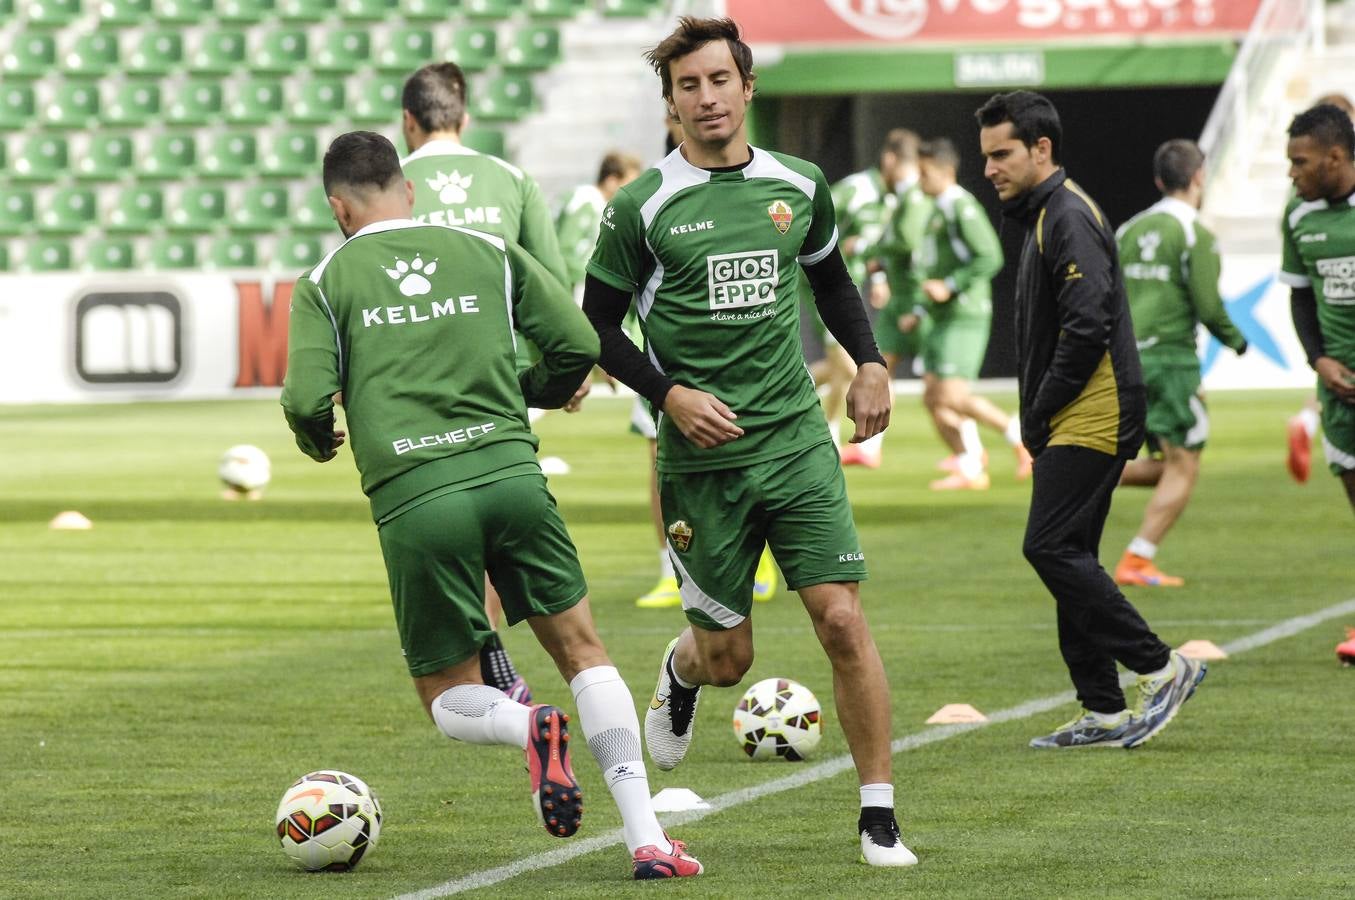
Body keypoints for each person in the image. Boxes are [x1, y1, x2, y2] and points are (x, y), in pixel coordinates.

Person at [280, 132, 702, 880]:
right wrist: (530, 392)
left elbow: (306, 398)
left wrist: (321, 440)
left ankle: (525, 726)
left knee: (446, 692)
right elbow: (577, 339)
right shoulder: (484, 248)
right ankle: (647, 841)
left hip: (418, 497)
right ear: (408, 191)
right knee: (582, 650)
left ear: (338, 208)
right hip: (511, 475)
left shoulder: (324, 280)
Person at [582, 16, 916, 866]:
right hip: (701, 464)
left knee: (840, 619)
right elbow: (595, 328)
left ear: (746, 87)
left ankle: (877, 814)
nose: (706, 98)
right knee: (728, 659)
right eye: (687, 86)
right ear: (669, 105)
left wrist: (870, 364)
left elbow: (832, 278)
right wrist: (668, 394)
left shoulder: (799, 185)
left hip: (796, 441)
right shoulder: (641, 207)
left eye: (718, 81)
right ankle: (682, 671)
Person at [975, 90, 1206, 749]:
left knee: (1047, 547)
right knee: (1068, 553)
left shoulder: (1067, 215)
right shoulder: (1046, 214)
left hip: (1093, 408)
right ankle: (1103, 710)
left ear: (1040, 149)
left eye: (1002, 154)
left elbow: (1088, 324)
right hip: (1077, 409)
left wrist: (1042, 407)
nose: (990, 168)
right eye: (985, 156)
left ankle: (1162, 666)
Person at [399, 62, 575, 703]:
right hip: (500, 384)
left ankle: (487, 652)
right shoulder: (511, 180)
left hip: (413, 389)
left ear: (408, 122)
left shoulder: (389, 187)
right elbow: (548, 287)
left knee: (446, 519)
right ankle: (510, 648)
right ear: (464, 119)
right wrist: (565, 374)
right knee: (497, 512)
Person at [1113, 140, 1247, 586]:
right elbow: (1208, 306)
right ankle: (1138, 557)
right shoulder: (1195, 234)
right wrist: (1237, 340)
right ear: (1198, 178)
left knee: (1168, 461)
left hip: (1127, 360)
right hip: (1171, 360)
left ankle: (1078, 473)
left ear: (1158, 181)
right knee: (1185, 463)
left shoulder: (1129, 230)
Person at [908, 137, 1029, 490]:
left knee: (953, 396)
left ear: (947, 172)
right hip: (942, 316)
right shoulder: (936, 211)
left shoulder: (961, 206)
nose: (919, 179)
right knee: (933, 398)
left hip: (964, 315)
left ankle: (1016, 435)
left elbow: (990, 256)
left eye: (925, 172)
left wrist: (950, 285)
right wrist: (920, 308)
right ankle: (969, 465)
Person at [1280, 103, 1355, 513]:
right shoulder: (1297, 216)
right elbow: (1301, 296)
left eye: (1300, 163)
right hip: (1341, 393)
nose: (1292, 173)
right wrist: (1318, 359)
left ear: (1335, 157)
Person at [829, 128, 918, 466]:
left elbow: (873, 244)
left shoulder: (892, 201)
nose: (908, 179)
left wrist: (878, 276)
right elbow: (810, 214)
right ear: (889, 160)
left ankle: (838, 435)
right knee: (852, 364)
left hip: (851, 285)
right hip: (818, 285)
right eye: (905, 170)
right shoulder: (856, 189)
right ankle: (834, 436)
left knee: (836, 366)